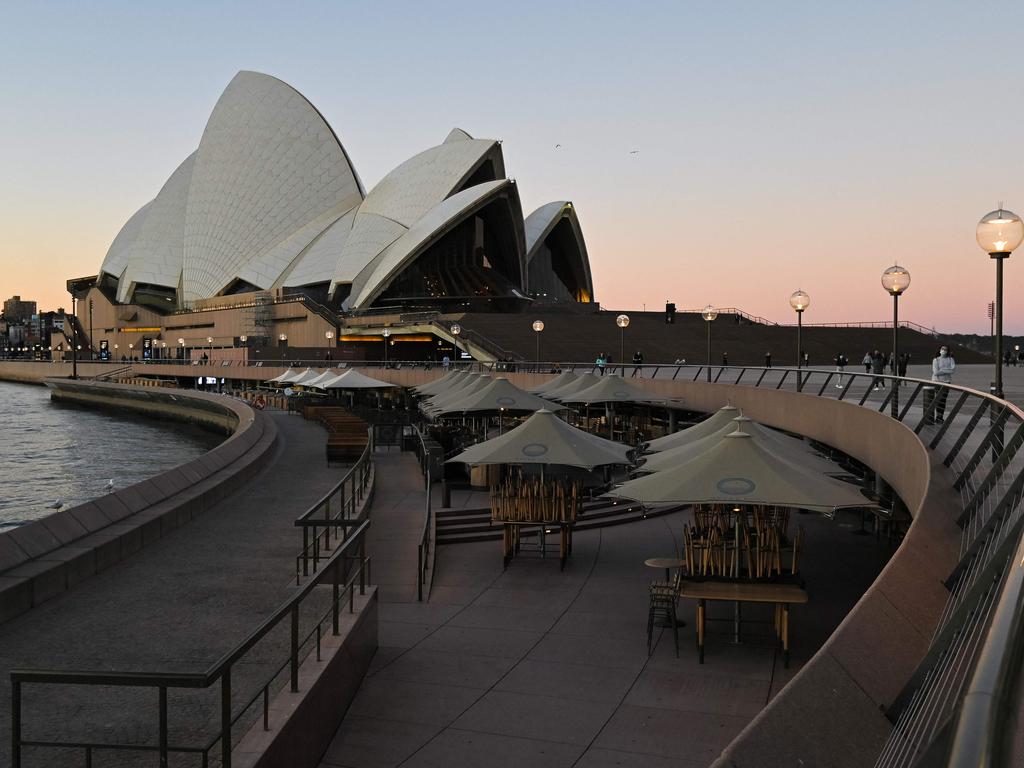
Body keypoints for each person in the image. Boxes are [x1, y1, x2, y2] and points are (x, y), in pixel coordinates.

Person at [932, 346, 956, 422]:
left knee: (943, 400)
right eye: (942, 349)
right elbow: (935, 373)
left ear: (948, 351)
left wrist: (942, 370)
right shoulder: (936, 360)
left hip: (946, 382)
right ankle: (938, 417)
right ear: (939, 350)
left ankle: (940, 416)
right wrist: (946, 370)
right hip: (937, 382)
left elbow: (953, 370)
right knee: (939, 399)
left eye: (945, 349)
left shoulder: (950, 359)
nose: (943, 350)